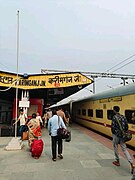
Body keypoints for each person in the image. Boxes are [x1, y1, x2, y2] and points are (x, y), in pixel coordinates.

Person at [111, 106, 134, 173]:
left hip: (116, 135)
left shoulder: (114, 117)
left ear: (114, 110)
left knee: (115, 147)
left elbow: (113, 128)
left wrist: (115, 134)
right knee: (124, 149)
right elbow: (127, 127)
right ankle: (131, 163)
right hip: (123, 136)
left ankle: (117, 161)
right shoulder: (123, 117)